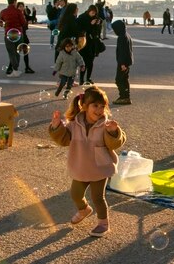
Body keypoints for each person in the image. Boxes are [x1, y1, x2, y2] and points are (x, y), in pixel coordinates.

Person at [48, 85, 126, 237]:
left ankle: (103, 224)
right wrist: (56, 126)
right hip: (81, 167)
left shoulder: (106, 125)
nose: (99, 110)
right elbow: (63, 140)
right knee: (75, 194)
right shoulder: (73, 124)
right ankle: (84, 209)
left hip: (100, 168)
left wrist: (113, 132)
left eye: (102, 106)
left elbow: (115, 144)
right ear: (84, 106)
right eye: (95, 105)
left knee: (98, 197)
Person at [0, 0, 26, 78]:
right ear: (14, 1)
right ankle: (16, 69)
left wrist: (4, 24)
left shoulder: (3, 11)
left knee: (11, 52)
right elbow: (23, 22)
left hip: (8, 33)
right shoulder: (18, 11)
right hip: (18, 33)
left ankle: (15, 69)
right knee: (17, 51)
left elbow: (0, 22)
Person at [77, 5, 102, 84]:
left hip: (92, 43)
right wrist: (90, 24)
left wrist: (98, 24)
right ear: (89, 11)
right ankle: (81, 79)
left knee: (90, 62)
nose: (93, 14)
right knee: (83, 62)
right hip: (84, 42)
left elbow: (97, 31)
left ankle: (88, 78)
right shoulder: (82, 17)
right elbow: (81, 29)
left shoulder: (96, 18)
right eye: (92, 12)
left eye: (95, 13)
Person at [112, 20, 133, 105]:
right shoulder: (126, 35)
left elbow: (122, 52)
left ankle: (123, 97)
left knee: (119, 80)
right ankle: (126, 96)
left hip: (123, 63)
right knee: (125, 79)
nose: (114, 31)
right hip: (127, 61)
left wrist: (122, 64)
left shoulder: (121, 37)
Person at [16, 2, 35, 74]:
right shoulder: (17, 15)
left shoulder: (24, 15)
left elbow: (32, 18)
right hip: (18, 35)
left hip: (24, 35)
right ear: (17, 8)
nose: (21, 8)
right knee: (15, 53)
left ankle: (27, 67)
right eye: (20, 6)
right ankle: (10, 67)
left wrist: (34, 11)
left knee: (25, 52)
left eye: (22, 6)